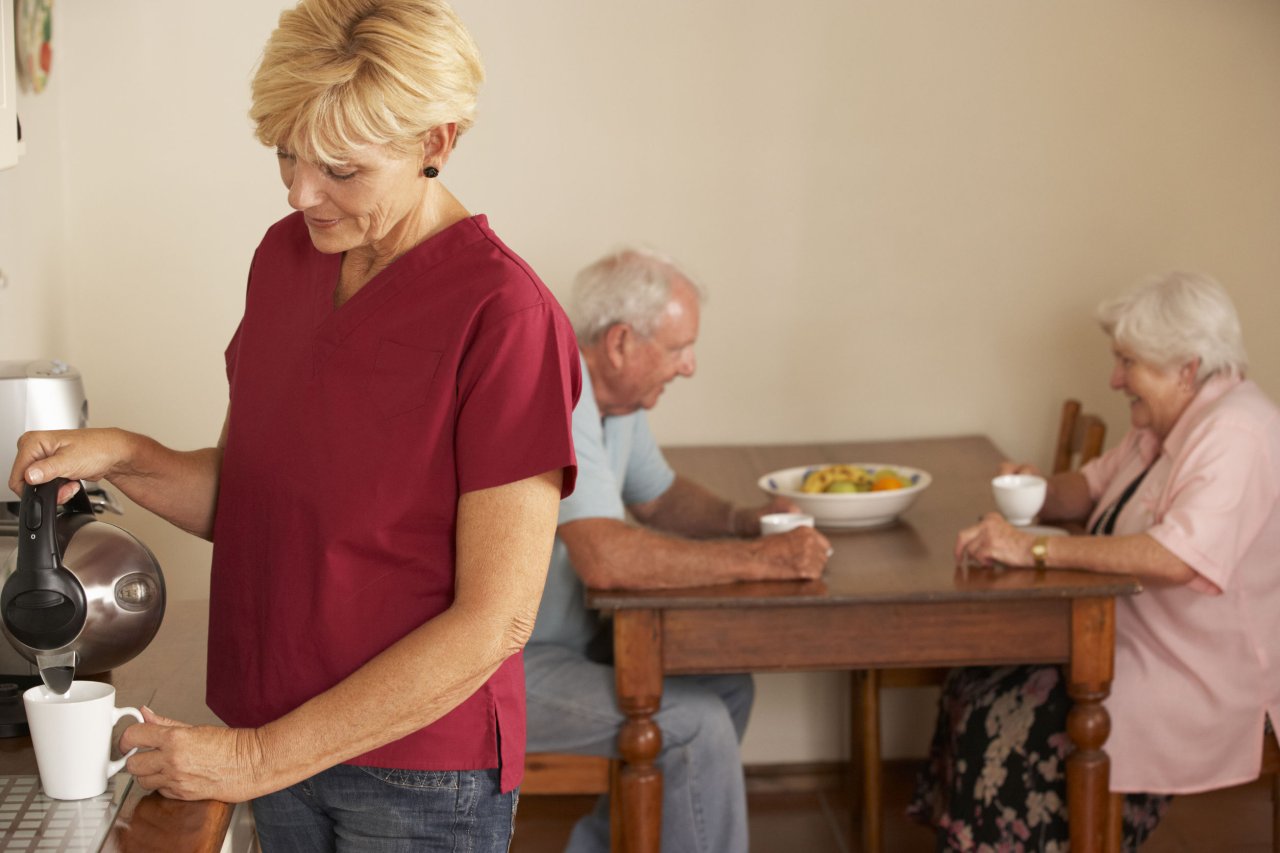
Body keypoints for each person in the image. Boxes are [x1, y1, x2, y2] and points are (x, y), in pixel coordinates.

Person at [7, 1, 580, 850]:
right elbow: (258, 497)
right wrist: (122, 455)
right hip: (269, 725)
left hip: (416, 772)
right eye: (287, 152)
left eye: (341, 169)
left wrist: (255, 758)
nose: (300, 192)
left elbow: (496, 621)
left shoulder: (507, 316)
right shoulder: (285, 258)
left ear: (436, 142)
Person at [910, 272, 1280, 851]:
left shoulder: (1237, 431)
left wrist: (1033, 548)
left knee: (1010, 717)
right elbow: (1088, 487)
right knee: (976, 680)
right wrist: (1035, 491)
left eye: (1128, 363)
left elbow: (1177, 557)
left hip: (1195, 667)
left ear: (1186, 368)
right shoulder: (1165, 420)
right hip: (1122, 637)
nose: (1115, 379)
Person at [523, 246, 832, 853]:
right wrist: (761, 560)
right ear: (620, 343)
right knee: (696, 725)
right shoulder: (558, 392)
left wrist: (744, 521)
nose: (689, 366)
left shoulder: (616, 404)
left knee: (727, 686)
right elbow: (606, 559)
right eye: (678, 349)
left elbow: (659, 498)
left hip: (573, 639)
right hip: (504, 663)